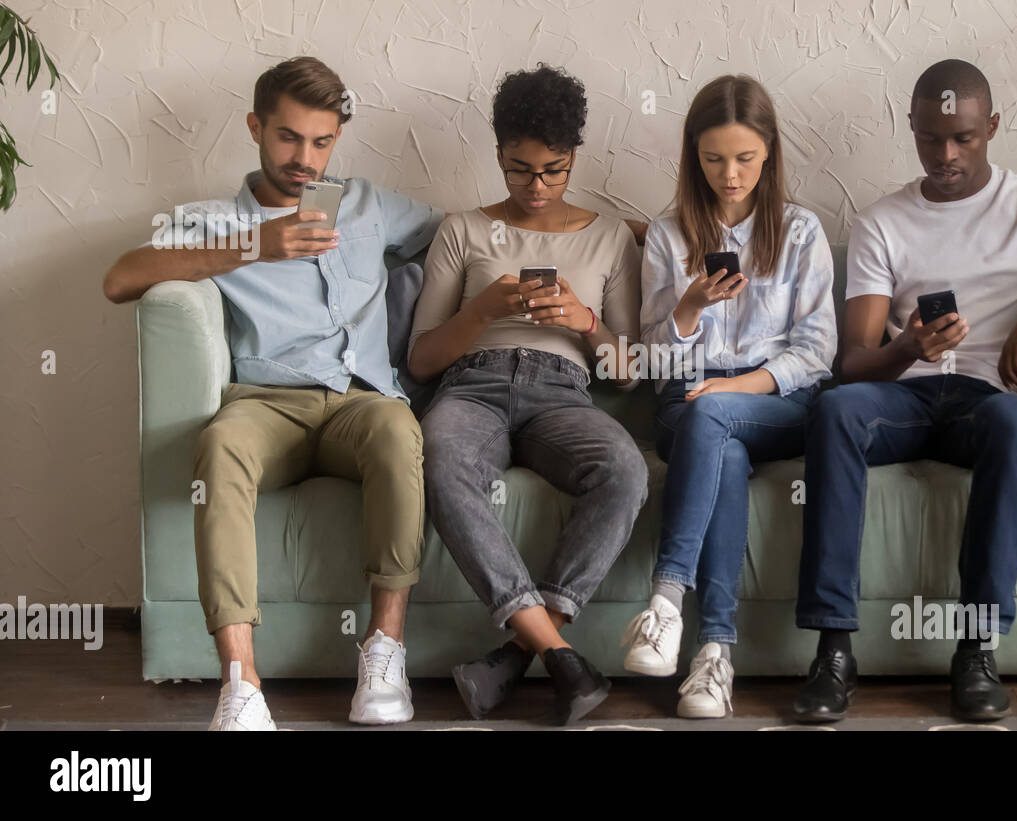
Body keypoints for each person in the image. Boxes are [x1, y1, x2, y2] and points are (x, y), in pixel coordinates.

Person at [792, 59, 1017, 723]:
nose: (947, 154)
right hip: (905, 400)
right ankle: (834, 649)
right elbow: (854, 363)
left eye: (964, 137)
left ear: (991, 127)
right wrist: (907, 346)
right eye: (931, 138)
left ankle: (976, 649)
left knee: (1010, 423)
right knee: (836, 408)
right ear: (910, 128)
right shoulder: (884, 222)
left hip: (991, 398)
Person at [102, 57, 442, 729]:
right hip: (265, 404)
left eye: (321, 141)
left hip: (361, 402)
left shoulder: (371, 205)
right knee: (221, 444)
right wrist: (251, 245)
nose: (304, 158)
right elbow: (121, 278)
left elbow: (469, 232)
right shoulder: (214, 220)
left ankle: (384, 651)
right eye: (288, 137)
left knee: (401, 430)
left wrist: (619, 232)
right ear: (257, 127)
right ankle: (241, 681)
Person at [407, 64, 648, 726]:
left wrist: (585, 321)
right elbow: (422, 358)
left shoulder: (608, 238)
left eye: (553, 170)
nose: (536, 187)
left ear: (575, 157)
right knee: (438, 454)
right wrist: (482, 309)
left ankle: (517, 654)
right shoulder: (462, 229)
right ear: (497, 155)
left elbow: (628, 370)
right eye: (518, 169)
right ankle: (561, 655)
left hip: (563, 393)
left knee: (625, 470)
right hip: (472, 385)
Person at [620, 75, 836, 719]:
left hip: (777, 403)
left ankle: (664, 603)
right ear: (693, 156)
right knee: (723, 448)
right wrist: (687, 307)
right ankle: (714, 656)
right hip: (688, 403)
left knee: (714, 414)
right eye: (713, 159)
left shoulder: (799, 232)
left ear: (768, 151)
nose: (730, 174)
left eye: (744, 158)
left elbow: (818, 351)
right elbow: (656, 360)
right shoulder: (667, 234)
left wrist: (735, 387)